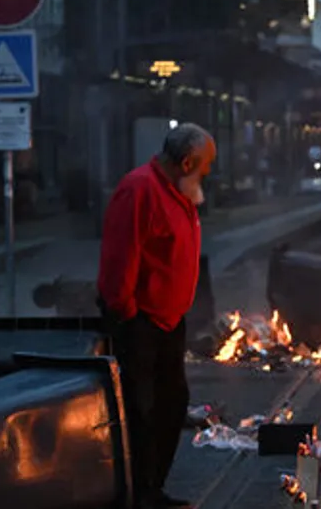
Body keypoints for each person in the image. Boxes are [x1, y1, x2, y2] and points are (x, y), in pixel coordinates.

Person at [98, 123, 216, 509]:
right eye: (205, 165)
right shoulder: (139, 189)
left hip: (167, 321)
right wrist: (128, 313)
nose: (208, 173)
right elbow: (119, 260)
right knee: (141, 411)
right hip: (142, 323)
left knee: (171, 404)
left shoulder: (179, 192)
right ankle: (138, 495)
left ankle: (152, 490)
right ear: (187, 163)